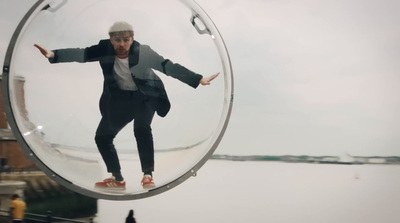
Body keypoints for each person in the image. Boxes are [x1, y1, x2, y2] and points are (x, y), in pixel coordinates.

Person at [34, 21, 219, 190]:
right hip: (121, 100)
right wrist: (53, 54)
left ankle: (147, 175)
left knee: (141, 128)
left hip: (145, 97)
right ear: (111, 40)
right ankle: (117, 178)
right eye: (117, 40)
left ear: (132, 39)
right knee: (102, 137)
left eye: (125, 40)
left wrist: (198, 79)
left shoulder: (143, 52)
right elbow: (81, 54)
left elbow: (167, 65)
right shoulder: (104, 49)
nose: (121, 44)